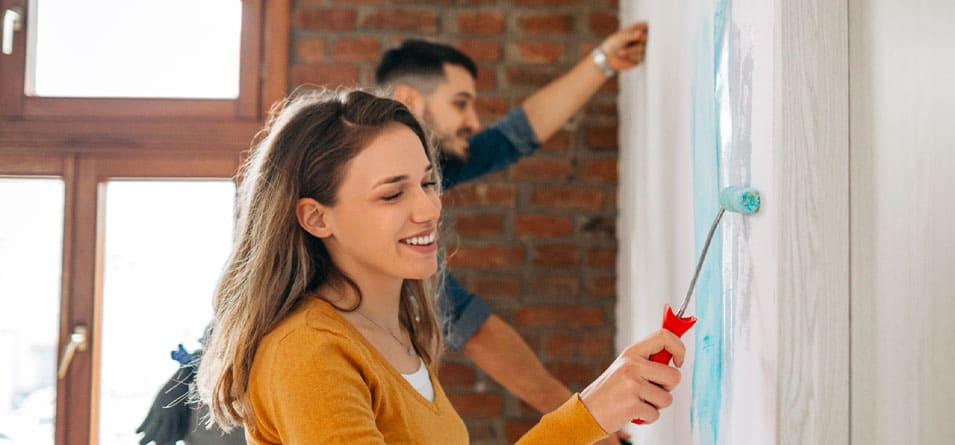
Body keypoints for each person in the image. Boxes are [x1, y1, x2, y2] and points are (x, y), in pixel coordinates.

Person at [137, 23, 649, 444]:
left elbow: (513, 138)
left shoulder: (398, 331)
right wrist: (584, 415)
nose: (429, 207)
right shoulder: (310, 352)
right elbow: (484, 333)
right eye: (392, 194)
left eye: (429, 182)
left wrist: (590, 414)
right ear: (316, 217)